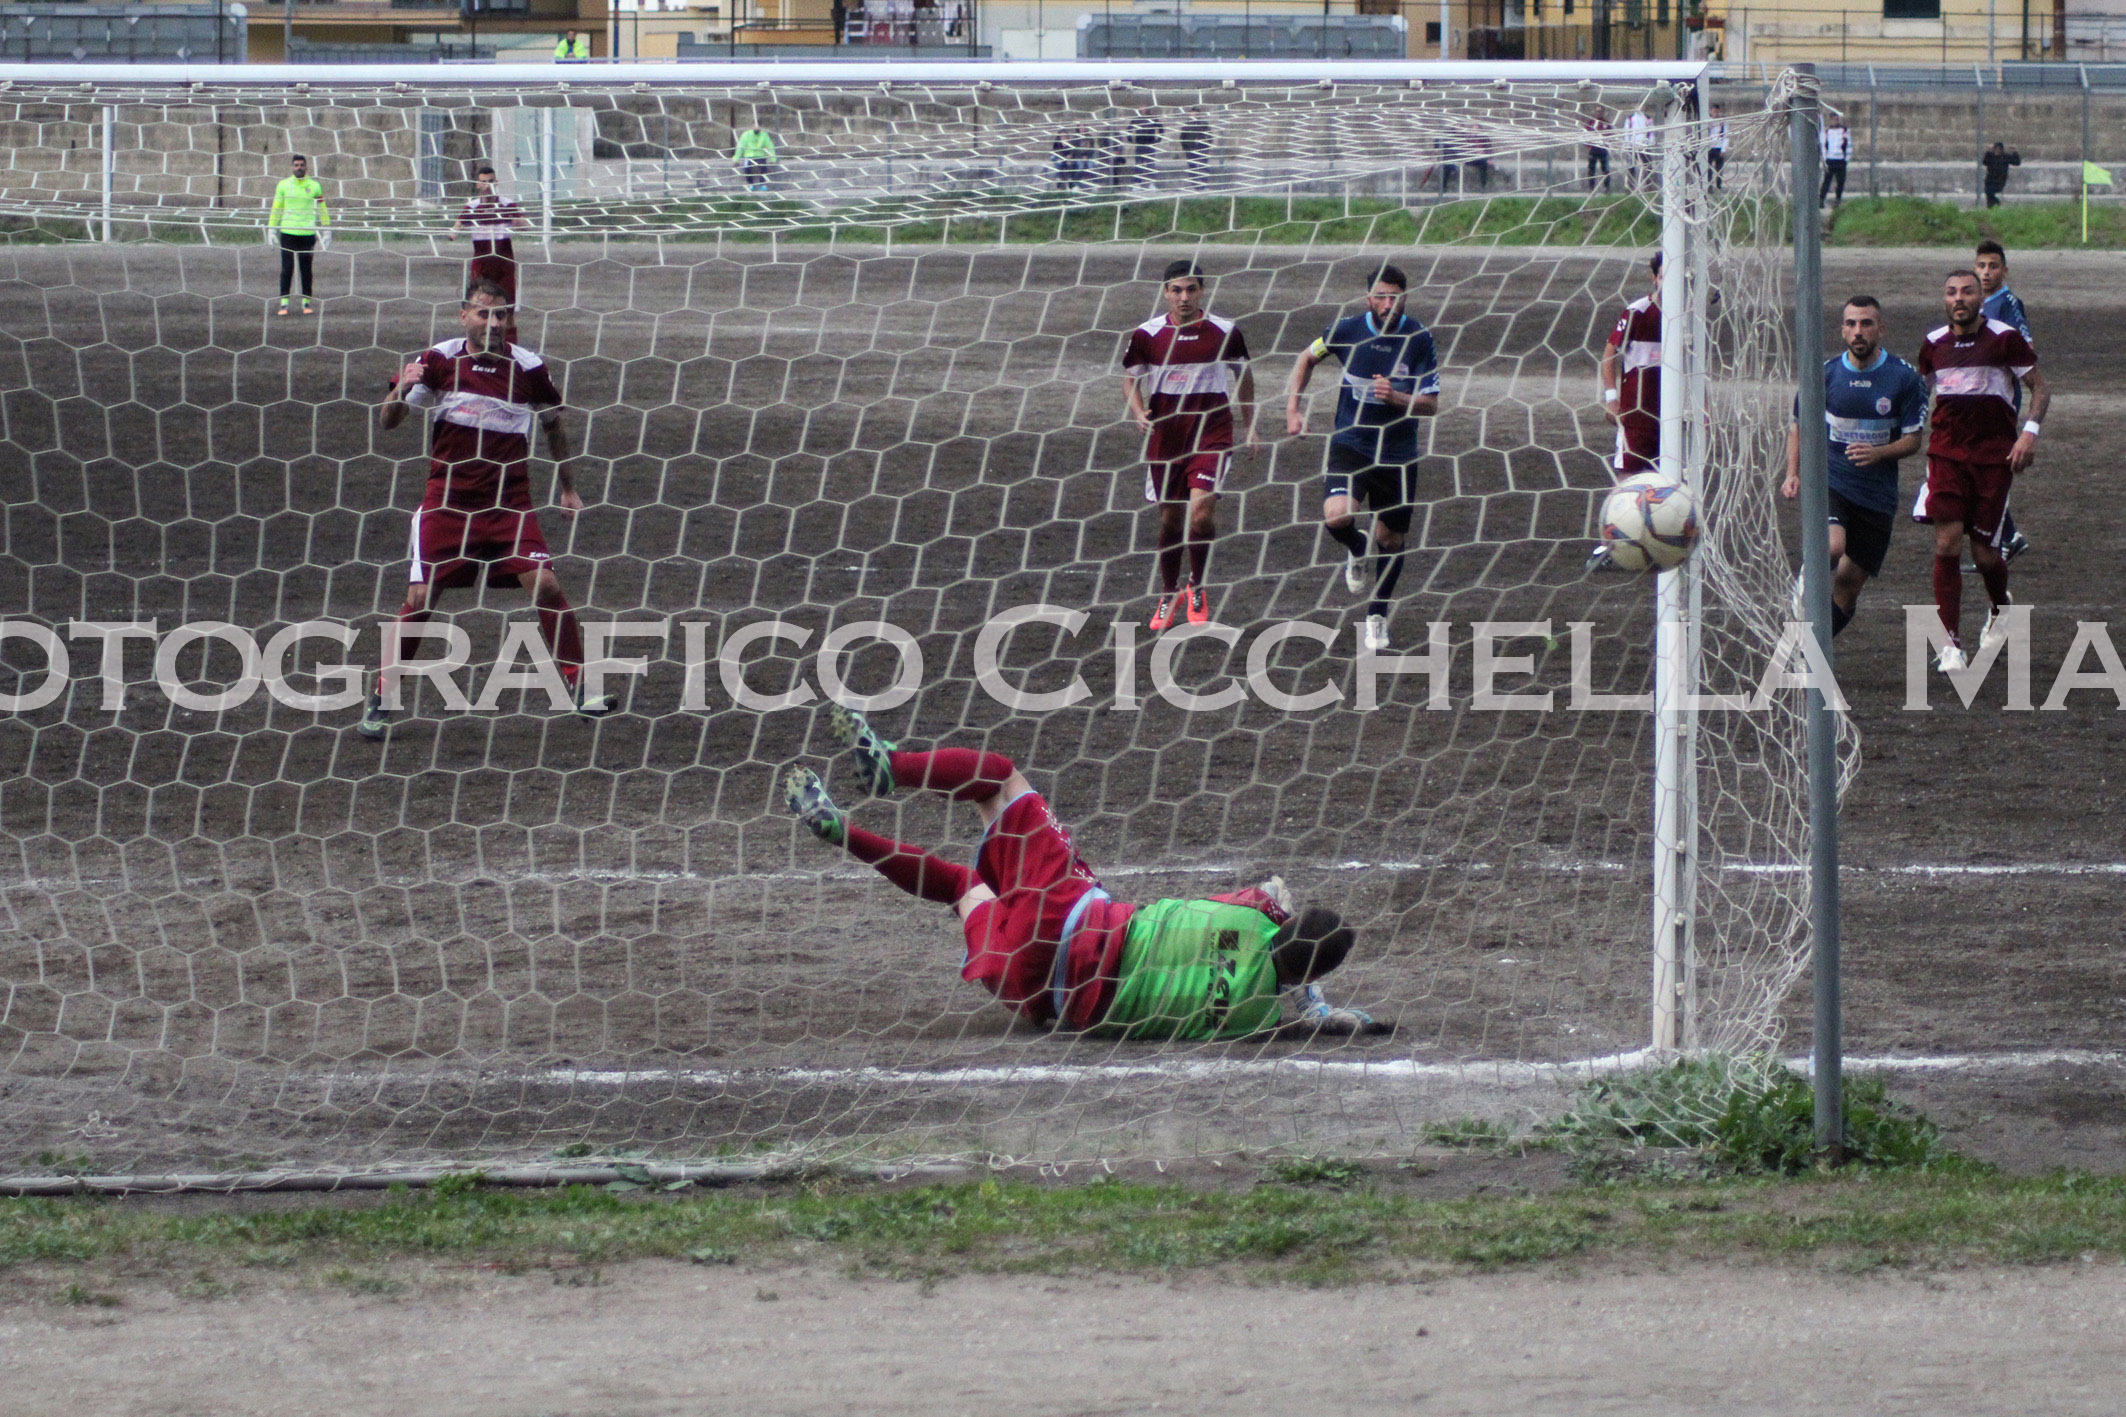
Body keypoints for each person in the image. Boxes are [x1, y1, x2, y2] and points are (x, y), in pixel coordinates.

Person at [782, 708, 1382, 1039]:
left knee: (999, 780)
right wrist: (1316, 1011)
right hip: (1042, 997)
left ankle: (892, 768)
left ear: (1282, 931)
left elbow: (1273, 896)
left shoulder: (1246, 919)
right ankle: (841, 832)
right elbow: (1284, 973)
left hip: (1068, 916)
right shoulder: (1254, 1017)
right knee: (965, 887)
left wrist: (1307, 978)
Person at [364, 280, 614, 738]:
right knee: (421, 600)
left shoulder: (529, 367)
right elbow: (388, 423)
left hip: (509, 505)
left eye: (501, 315)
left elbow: (553, 426)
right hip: (449, 503)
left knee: (547, 587)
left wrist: (567, 487)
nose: (494, 323)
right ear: (464, 315)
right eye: (484, 314)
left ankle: (581, 689)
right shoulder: (437, 360)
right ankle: (381, 698)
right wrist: (402, 388)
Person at [1283, 264, 1442, 654]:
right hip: (1351, 444)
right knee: (1337, 516)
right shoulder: (1345, 331)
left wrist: (1398, 398)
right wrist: (1293, 408)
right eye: (1381, 296)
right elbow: (1306, 359)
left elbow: (1431, 404)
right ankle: (1356, 548)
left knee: (1391, 538)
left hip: (1398, 454)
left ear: (1405, 297)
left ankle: (1377, 614)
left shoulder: (1418, 338)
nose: (1389, 303)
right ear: (1368, 297)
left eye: (1396, 296)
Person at [1912, 270, 2049, 673]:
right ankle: (1951, 644)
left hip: (1994, 459)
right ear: (1944, 299)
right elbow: (1921, 394)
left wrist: (2029, 433)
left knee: (1986, 554)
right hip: (1946, 456)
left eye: (1967, 291)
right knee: (1947, 543)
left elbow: (2040, 387)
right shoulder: (1933, 345)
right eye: (1951, 292)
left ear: (1980, 298)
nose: (1959, 299)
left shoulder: (2006, 338)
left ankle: (2000, 607)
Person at [1778, 296, 1928, 639]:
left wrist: (1880, 452)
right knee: (1831, 546)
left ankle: (1810, 648)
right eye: (1851, 324)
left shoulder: (1904, 379)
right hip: (1833, 482)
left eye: (1866, 323)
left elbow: (1913, 440)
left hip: (1877, 497)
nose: (1858, 331)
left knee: (1846, 591)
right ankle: (1803, 589)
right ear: (1842, 330)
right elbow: (1799, 424)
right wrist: (1792, 472)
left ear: (1881, 329)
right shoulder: (1825, 375)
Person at [1122, 260, 1256, 631]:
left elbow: (1244, 377)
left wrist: (1251, 425)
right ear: (1166, 292)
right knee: (1170, 520)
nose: (1184, 297)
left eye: (1191, 289)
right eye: (1176, 290)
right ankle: (1169, 591)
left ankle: (1197, 585)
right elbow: (1130, 379)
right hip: (1167, 436)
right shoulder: (1147, 335)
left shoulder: (1225, 331)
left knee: (1201, 514)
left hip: (1212, 431)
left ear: (1202, 291)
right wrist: (1137, 411)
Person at [1586, 252, 1664, 572]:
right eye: (1663, 275)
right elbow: (1608, 355)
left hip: (1673, 414)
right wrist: (1612, 398)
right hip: (1637, 412)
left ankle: (1661, 543)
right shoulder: (1637, 311)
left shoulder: (1687, 317)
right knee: (1626, 480)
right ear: (1654, 277)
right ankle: (1612, 546)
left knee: (1668, 482)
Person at [1971, 239, 2033, 560]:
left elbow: (2027, 347)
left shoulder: (2008, 303)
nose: (1986, 272)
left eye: (1993, 266)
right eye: (1981, 266)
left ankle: (2007, 537)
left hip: (2002, 398)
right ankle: (2010, 536)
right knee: (1979, 466)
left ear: (2004, 270)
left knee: (1986, 467)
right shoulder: (1976, 304)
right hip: (1979, 396)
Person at [453, 163, 528, 304]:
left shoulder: (507, 204)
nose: (488, 185)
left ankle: (508, 324)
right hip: (481, 260)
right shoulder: (472, 206)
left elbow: (525, 225)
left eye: (491, 181)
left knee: (507, 304)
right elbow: (458, 223)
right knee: (478, 302)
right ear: (477, 185)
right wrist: (455, 232)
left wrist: (517, 221)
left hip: (504, 259)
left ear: (497, 183)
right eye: (484, 182)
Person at [266, 153, 328, 318]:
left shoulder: (314, 186)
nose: (299, 168)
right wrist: (272, 228)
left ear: (306, 167)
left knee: (306, 269)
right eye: (296, 165)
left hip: (307, 234)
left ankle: (306, 302)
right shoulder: (284, 185)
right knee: (287, 268)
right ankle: (284, 302)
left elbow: (322, 208)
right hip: (288, 233)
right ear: (292, 167)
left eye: (301, 165)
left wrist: (327, 228)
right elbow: (277, 207)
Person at [733, 123, 777, 193]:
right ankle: (750, 184)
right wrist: (736, 159)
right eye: (755, 126)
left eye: (758, 126)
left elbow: (770, 146)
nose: (756, 128)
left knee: (764, 168)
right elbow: (740, 147)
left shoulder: (764, 135)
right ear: (752, 126)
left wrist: (773, 159)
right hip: (749, 156)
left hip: (761, 156)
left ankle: (763, 185)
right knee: (747, 168)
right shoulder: (746, 135)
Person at [1820, 118, 1852, 208]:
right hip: (1830, 160)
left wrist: (1846, 159)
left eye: (1836, 120)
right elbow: (1824, 146)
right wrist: (1825, 159)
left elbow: (1849, 145)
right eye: (1832, 120)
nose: (1834, 122)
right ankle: (1821, 199)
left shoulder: (1844, 131)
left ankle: (1838, 199)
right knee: (1826, 181)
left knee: (1840, 181)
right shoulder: (1827, 132)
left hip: (1841, 160)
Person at [1127, 113, 1164, 188]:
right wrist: (1130, 139)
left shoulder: (1153, 118)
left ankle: (1151, 184)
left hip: (1150, 145)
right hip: (1139, 145)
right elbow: (1129, 129)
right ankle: (1137, 184)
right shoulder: (1136, 119)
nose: (1143, 108)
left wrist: (1158, 139)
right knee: (1138, 165)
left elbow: (1161, 128)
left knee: (1151, 166)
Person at [1178, 110, 1212, 191]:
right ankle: (1195, 186)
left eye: (1194, 113)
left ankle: (1204, 185)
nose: (1192, 114)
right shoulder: (1186, 125)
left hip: (1202, 149)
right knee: (1192, 167)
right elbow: (1182, 137)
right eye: (1191, 112)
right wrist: (1186, 147)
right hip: (1190, 149)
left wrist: (1207, 145)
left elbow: (1210, 136)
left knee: (1203, 166)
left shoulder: (1203, 124)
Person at [1981, 142, 2021, 207]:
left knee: (1990, 193)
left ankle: (1996, 204)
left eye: (1999, 149)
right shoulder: (1991, 156)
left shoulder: (2005, 157)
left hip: (2000, 180)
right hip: (1990, 180)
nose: (1997, 151)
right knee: (1988, 194)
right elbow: (1985, 162)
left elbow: (2017, 162)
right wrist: (1987, 151)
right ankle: (1992, 207)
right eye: (1995, 149)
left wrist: (2015, 152)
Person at [1583, 110, 1612, 194]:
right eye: (1597, 111)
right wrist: (1588, 146)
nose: (1598, 113)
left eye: (1600, 111)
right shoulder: (1590, 123)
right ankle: (1591, 189)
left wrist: (1607, 145)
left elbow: (1611, 135)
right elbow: (1585, 134)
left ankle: (1607, 188)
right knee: (1591, 170)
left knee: (1605, 170)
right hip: (1593, 150)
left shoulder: (1606, 123)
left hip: (1603, 150)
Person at [1706, 105, 1729, 191]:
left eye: (1717, 111)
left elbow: (1726, 136)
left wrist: (1724, 149)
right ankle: (1709, 186)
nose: (1716, 113)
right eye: (1714, 111)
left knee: (1719, 168)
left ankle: (1718, 185)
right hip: (1709, 147)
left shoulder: (1723, 122)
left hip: (1719, 147)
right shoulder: (1707, 121)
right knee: (1708, 169)